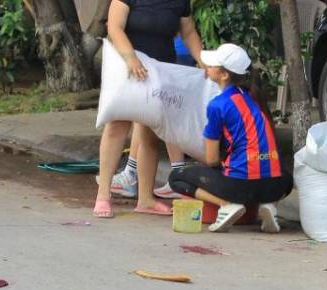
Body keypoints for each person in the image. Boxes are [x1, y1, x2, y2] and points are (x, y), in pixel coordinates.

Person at [167, 43, 293, 234]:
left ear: (224, 75)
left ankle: (227, 205)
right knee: (286, 177)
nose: (206, 67)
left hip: (239, 187)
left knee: (176, 177)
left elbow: (211, 160)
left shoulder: (218, 105)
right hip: (275, 186)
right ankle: (269, 205)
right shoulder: (254, 98)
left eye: (211, 65)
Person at [93, 0, 202, 219]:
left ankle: (145, 198)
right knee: (117, 125)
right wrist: (130, 57)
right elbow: (114, 27)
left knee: (150, 133)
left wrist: (203, 60)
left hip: (160, 70)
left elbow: (188, 32)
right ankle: (103, 195)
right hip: (126, 66)